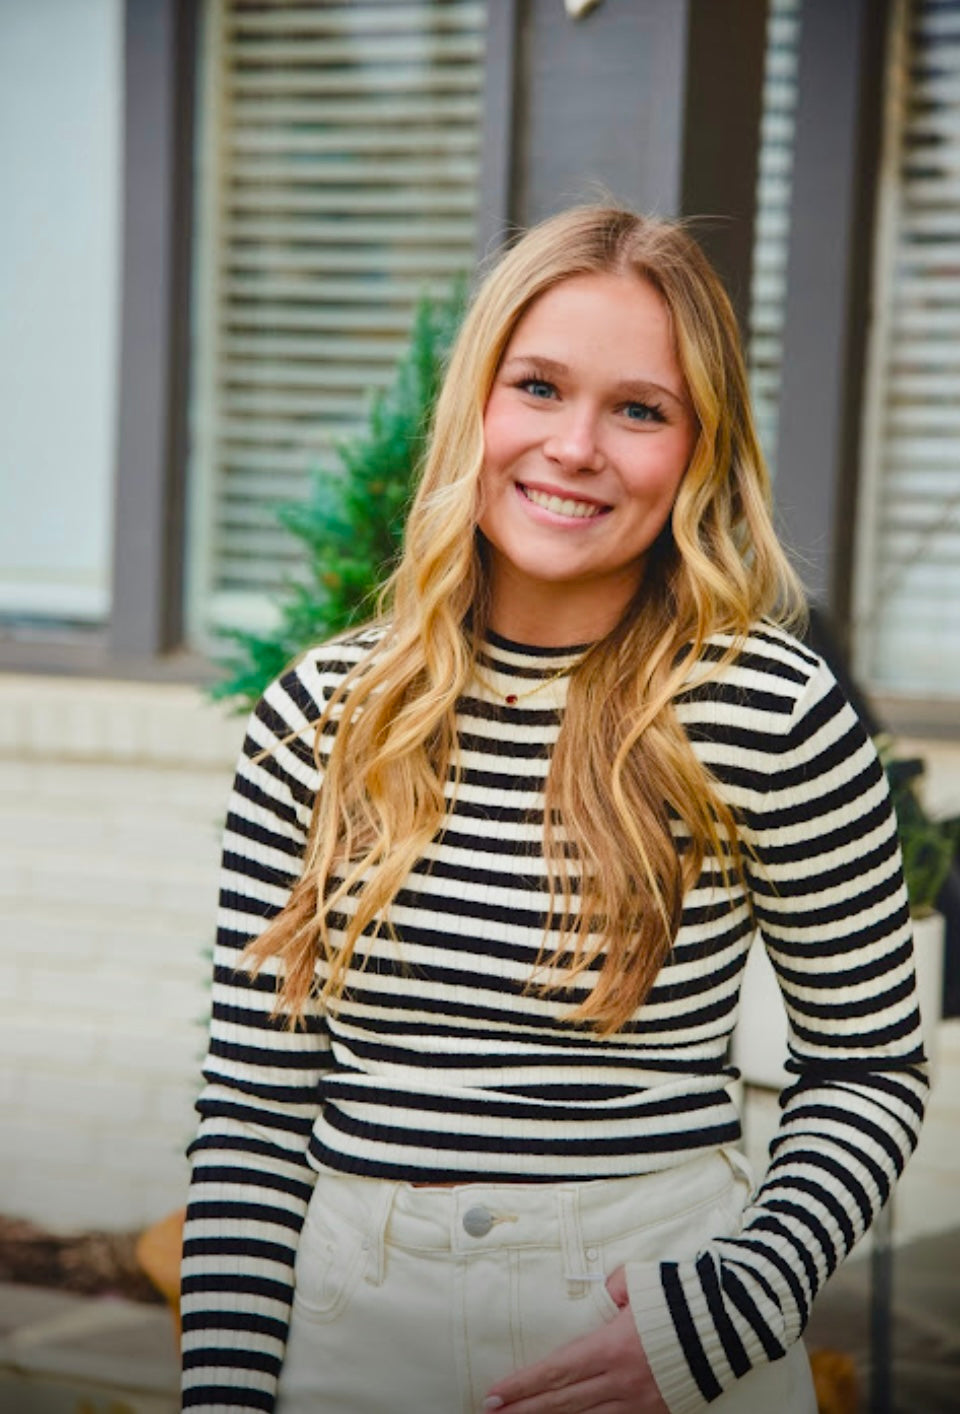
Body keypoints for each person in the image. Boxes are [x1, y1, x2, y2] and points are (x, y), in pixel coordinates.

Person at [180, 206, 929, 1414]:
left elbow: (869, 1067)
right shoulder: (321, 717)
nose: (576, 446)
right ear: (476, 403)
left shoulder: (767, 711)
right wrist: (221, 1396)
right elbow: (256, 1113)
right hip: (355, 1325)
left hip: (655, 1314)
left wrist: (730, 1308)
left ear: (698, 451)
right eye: (538, 386)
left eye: (641, 409)